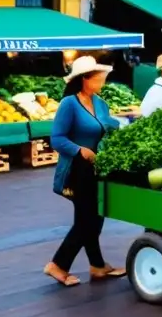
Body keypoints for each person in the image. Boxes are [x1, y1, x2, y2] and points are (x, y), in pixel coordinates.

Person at [46, 56, 126, 288]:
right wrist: (80, 150)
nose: (102, 83)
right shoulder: (69, 104)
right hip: (77, 169)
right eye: (98, 79)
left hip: (97, 167)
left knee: (95, 217)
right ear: (84, 79)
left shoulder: (100, 103)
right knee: (86, 220)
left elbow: (107, 127)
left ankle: (97, 265)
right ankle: (58, 265)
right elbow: (57, 139)